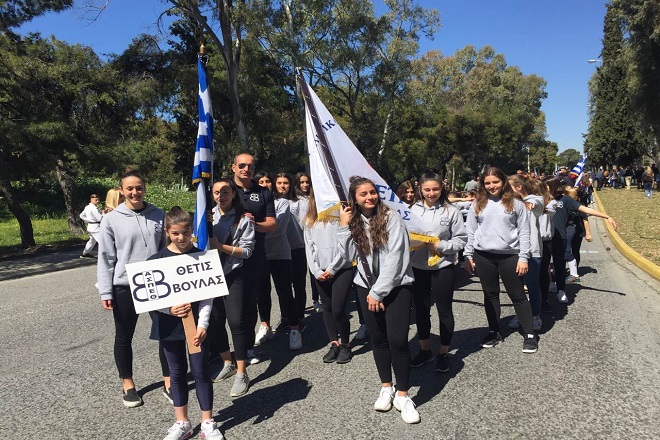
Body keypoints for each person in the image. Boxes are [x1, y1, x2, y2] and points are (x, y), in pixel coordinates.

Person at [338, 177, 420, 424]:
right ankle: (387, 386)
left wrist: (378, 291)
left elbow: (396, 258)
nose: (370, 197)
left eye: (372, 192)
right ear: (355, 198)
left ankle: (403, 395)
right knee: (378, 339)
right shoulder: (352, 220)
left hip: (395, 286)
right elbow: (347, 256)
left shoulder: (391, 217)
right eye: (363, 194)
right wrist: (343, 228)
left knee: (398, 340)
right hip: (366, 287)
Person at [148, 207, 224, 440]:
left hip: (196, 327)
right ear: (167, 232)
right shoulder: (155, 261)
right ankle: (182, 422)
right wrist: (168, 308)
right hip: (169, 326)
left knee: (201, 371)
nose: (181, 238)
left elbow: (208, 297)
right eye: (175, 233)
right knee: (177, 372)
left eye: (186, 232)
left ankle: (207, 422)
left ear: (192, 230)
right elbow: (150, 298)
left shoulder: (202, 257)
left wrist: (202, 325)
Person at [97, 169, 170, 407]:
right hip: (125, 286)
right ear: (121, 190)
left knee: (165, 333)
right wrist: (106, 291)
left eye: (139, 187)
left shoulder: (158, 214)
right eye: (129, 188)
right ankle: (128, 383)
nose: (135, 192)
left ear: (144, 187)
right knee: (124, 336)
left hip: (156, 283)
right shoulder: (111, 219)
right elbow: (106, 258)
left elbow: (167, 249)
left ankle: (169, 382)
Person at [463, 167, 538, 354]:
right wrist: (468, 255)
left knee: (517, 295)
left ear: (503, 182)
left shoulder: (515, 203)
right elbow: (470, 231)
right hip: (484, 256)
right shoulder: (477, 204)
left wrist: (523, 258)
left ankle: (529, 334)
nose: (491, 186)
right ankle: (494, 331)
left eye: (495, 182)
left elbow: (524, 232)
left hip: (510, 256)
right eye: (487, 183)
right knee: (490, 295)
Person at [409, 170, 467, 372]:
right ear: (420, 189)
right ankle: (425, 350)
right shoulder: (411, 210)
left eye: (435, 189)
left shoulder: (452, 211)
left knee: (444, 309)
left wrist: (441, 246)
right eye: (427, 189)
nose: (431, 193)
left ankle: (443, 352)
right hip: (418, 266)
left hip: (443, 266)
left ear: (442, 188)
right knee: (421, 309)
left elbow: (461, 239)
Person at [207, 178, 255, 398]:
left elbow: (247, 252)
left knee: (236, 321)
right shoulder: (206, 217)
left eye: (225, 191)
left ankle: (241, 372)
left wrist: (220, 247)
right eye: (216, 192)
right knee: (215, 321)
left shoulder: (244, 219)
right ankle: (227, 361)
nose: (221, 196)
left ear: (234, 194)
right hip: (209, 275)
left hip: (233, 273)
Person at [231, 153, 277, 365]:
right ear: (233, 167)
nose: (246, 169)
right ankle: (220, 351)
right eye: (242, 165)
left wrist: (252, 225)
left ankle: (247, 347)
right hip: (225, 254)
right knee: (223, 308)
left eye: (250, 166)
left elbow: (272, 224)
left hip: (254, 255)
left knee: (249, 303)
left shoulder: (264, 192)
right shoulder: (224, 189)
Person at [545, 177, 617, 304]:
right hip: (543, 238)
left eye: (547, 186)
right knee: (543, 265)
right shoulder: (540, 200)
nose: (544, 188)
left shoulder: (565, 200)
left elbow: (585, 209)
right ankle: (547, 287)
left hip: (559, 237)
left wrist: (606, 216)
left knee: (559, 264)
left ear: (554, 186)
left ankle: (561, 290)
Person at [303, 189, 354, 363]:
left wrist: (333, 268)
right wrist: (316, 270)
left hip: (341, 268)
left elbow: (345, 246)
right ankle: (335, 343)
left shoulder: (340, 217)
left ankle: (346, 344)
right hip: (320, 271)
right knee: (327, 307)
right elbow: (309, 248)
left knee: (339, 308)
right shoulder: (310, 220)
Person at [254, 171, 303, 350]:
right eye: (261, 181)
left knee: (284, 291)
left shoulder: (281, 203)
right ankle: (265, 326)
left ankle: (295, 329)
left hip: (280, 254)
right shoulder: (252, 203)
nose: (265, 184)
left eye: (268, 180)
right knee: (262, 292)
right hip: (259, 254)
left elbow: (278, 229)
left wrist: (254, 234)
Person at [508, 175, 546, 331]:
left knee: (532, 285)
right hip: (513, 250)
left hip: (532, 251)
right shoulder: (509, 203)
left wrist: (529, 203)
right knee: (517, 286)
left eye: (507, 186)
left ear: (518, 187)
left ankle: (535, 315)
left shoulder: (535, 199)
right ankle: (522, 314)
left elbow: (536, 203)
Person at [276, 172, 308, 324]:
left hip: (298, 247)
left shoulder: (299, 201)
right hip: (281, 248)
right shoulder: (272, 202)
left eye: (286, 183)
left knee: (299, 284)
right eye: (279, 183)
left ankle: (300, 316)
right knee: (284, 287)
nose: (283, 186)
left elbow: (305, 223)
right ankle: (286, 316)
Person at [294, 172, 322, 313]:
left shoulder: (314, 198)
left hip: (312, 238)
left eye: (307, 182)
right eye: (302, 182)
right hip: (297, 241)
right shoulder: (295, 199)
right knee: (299, 275)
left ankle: (316, 299)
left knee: (314, 270)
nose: (305, 185)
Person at [80, 194, 103, 258]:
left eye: (98, 199)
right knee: (102, 241)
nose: (98, 201)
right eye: (96, 200)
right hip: (95, 227)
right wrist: (104, 213)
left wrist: (88, 220)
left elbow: (81, 215)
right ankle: (104, 255)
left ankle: (85, 253)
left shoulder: (87, 207)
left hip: (90, 226)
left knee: (92, 240)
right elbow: (100, 218)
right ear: (91, 199)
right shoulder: (94, 208)